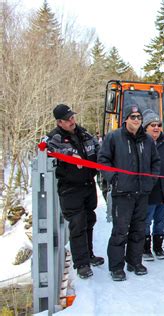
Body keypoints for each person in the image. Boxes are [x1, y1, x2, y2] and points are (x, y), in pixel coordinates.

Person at [98, 104, 160, 281]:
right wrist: (114, 178)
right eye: (133, 117)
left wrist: (150, 180)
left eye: (139, 117)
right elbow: (103, 160)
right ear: (126, 119)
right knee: (120, 231)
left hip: (141, 193)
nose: (137, 120)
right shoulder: (114, 138)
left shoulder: (147, 140)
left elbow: (156, 161)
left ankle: (134, 261)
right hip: (122, 193)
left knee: (139, 229)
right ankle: (116, 267)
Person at [45, 104, 104, 279]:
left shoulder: (84, 133)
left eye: (73, 117)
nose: (72, 121)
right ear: (60, 122)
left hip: (88, 184)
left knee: (89, 219)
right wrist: (69, 156)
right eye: (68, 119)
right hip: (70, 188)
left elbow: (98, 148)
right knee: (77, 224)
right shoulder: (54, 138)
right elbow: (48, 151)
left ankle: (89, 254)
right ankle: (81, 264)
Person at [142, 110, 164, 261]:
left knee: (160, 220)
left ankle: (158, 246)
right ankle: (145, 248)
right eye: (152, 125)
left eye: (158, 125)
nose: (156, 128)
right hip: (148, 189)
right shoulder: (140, 142)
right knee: (146, 220)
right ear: (145, 127)